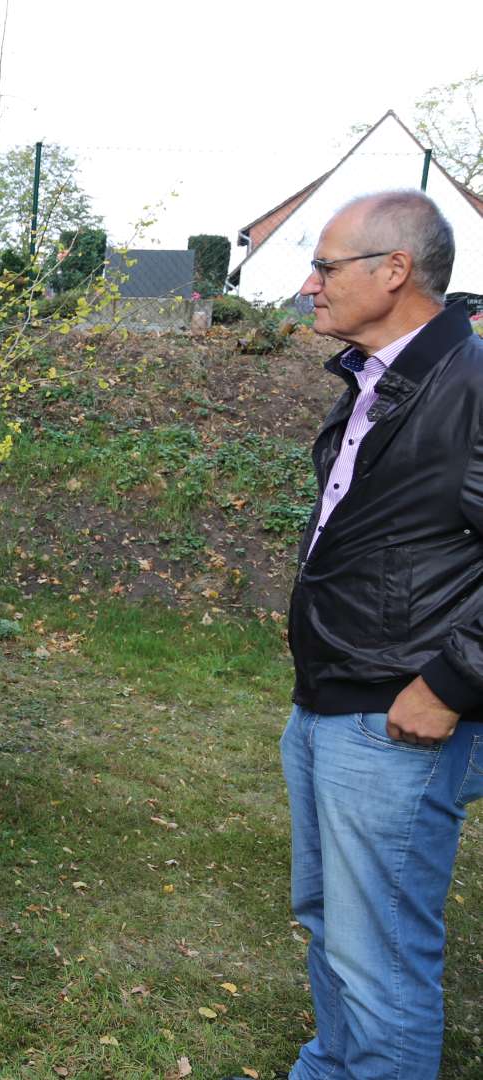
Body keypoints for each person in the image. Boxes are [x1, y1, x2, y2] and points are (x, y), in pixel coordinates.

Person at [262, 191, 483, 1080]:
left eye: (324, 265)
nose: (309, 284)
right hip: (328, 702)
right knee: (327, 921)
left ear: (394, 272)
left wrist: (451, 682)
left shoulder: (468, 385)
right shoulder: (372, 381)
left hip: (398, 714)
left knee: (381, 957)